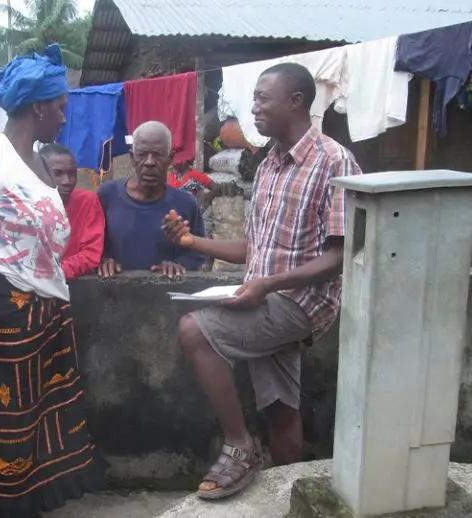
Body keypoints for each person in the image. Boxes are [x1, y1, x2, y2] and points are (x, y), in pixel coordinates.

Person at [163, 62, 361, 499]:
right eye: (253, 98)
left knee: (195, 331)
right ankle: (289, 498)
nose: (252, 108)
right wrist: (193, 241)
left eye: (261, 98)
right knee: (280, 410)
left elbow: (340, 254)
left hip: (300, 305)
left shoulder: (334, 161)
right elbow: (256, 249)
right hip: (265, 298)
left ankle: (238, 446)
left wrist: (266, 286)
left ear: (296, 102)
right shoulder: (269, 164)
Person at [0, 44, 105, 518]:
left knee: (35, 420)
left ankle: (20, 506)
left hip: (39, 314)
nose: (65, 117)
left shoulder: (41, 162)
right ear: (38, 107)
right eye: (61, 107)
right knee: (7, 426)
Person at [97, 121, 206, 279]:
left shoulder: (185, 204)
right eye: (142, 154)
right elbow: (92, 244)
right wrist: (104, 260)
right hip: (113, 296)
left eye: (157, 155)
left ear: (170, 159)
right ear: (132, 157)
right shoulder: (108, 195)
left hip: (166, 296)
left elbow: (198, 254)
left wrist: (179, 265)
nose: (149, 162)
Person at [40, 143, 105, 279]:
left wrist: (55, 273)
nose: (67, 181)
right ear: (40, 173)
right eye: (58, 174)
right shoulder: (24, 205)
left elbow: (91, 254)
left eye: (72, 174)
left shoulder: (87, 201)